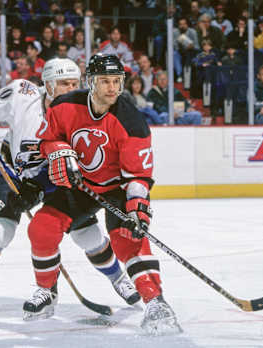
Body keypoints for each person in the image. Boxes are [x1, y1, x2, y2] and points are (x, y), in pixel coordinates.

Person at [0, 58, 140, 321]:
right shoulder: (22, 93)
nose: (70, 89)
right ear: (47, 85)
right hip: (10, 173)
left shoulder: (84, 110)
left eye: (74, 83)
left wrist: (38, 189)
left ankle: (118, 278)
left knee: (87, 235)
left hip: (54, 179)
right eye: (63, 83)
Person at [29, 54, 181, 335]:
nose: (112, 88)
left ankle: (155, 301)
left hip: (117, 190)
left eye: (116, 81)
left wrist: (137, 207)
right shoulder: (64, 105)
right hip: (80, 186)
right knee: (42, 229)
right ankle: (46, 291)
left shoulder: (131, 121)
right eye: (105, 81)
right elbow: (48, 139)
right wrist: (59, 152)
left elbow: (138, 174)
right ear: (90, 82)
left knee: (128, 239)